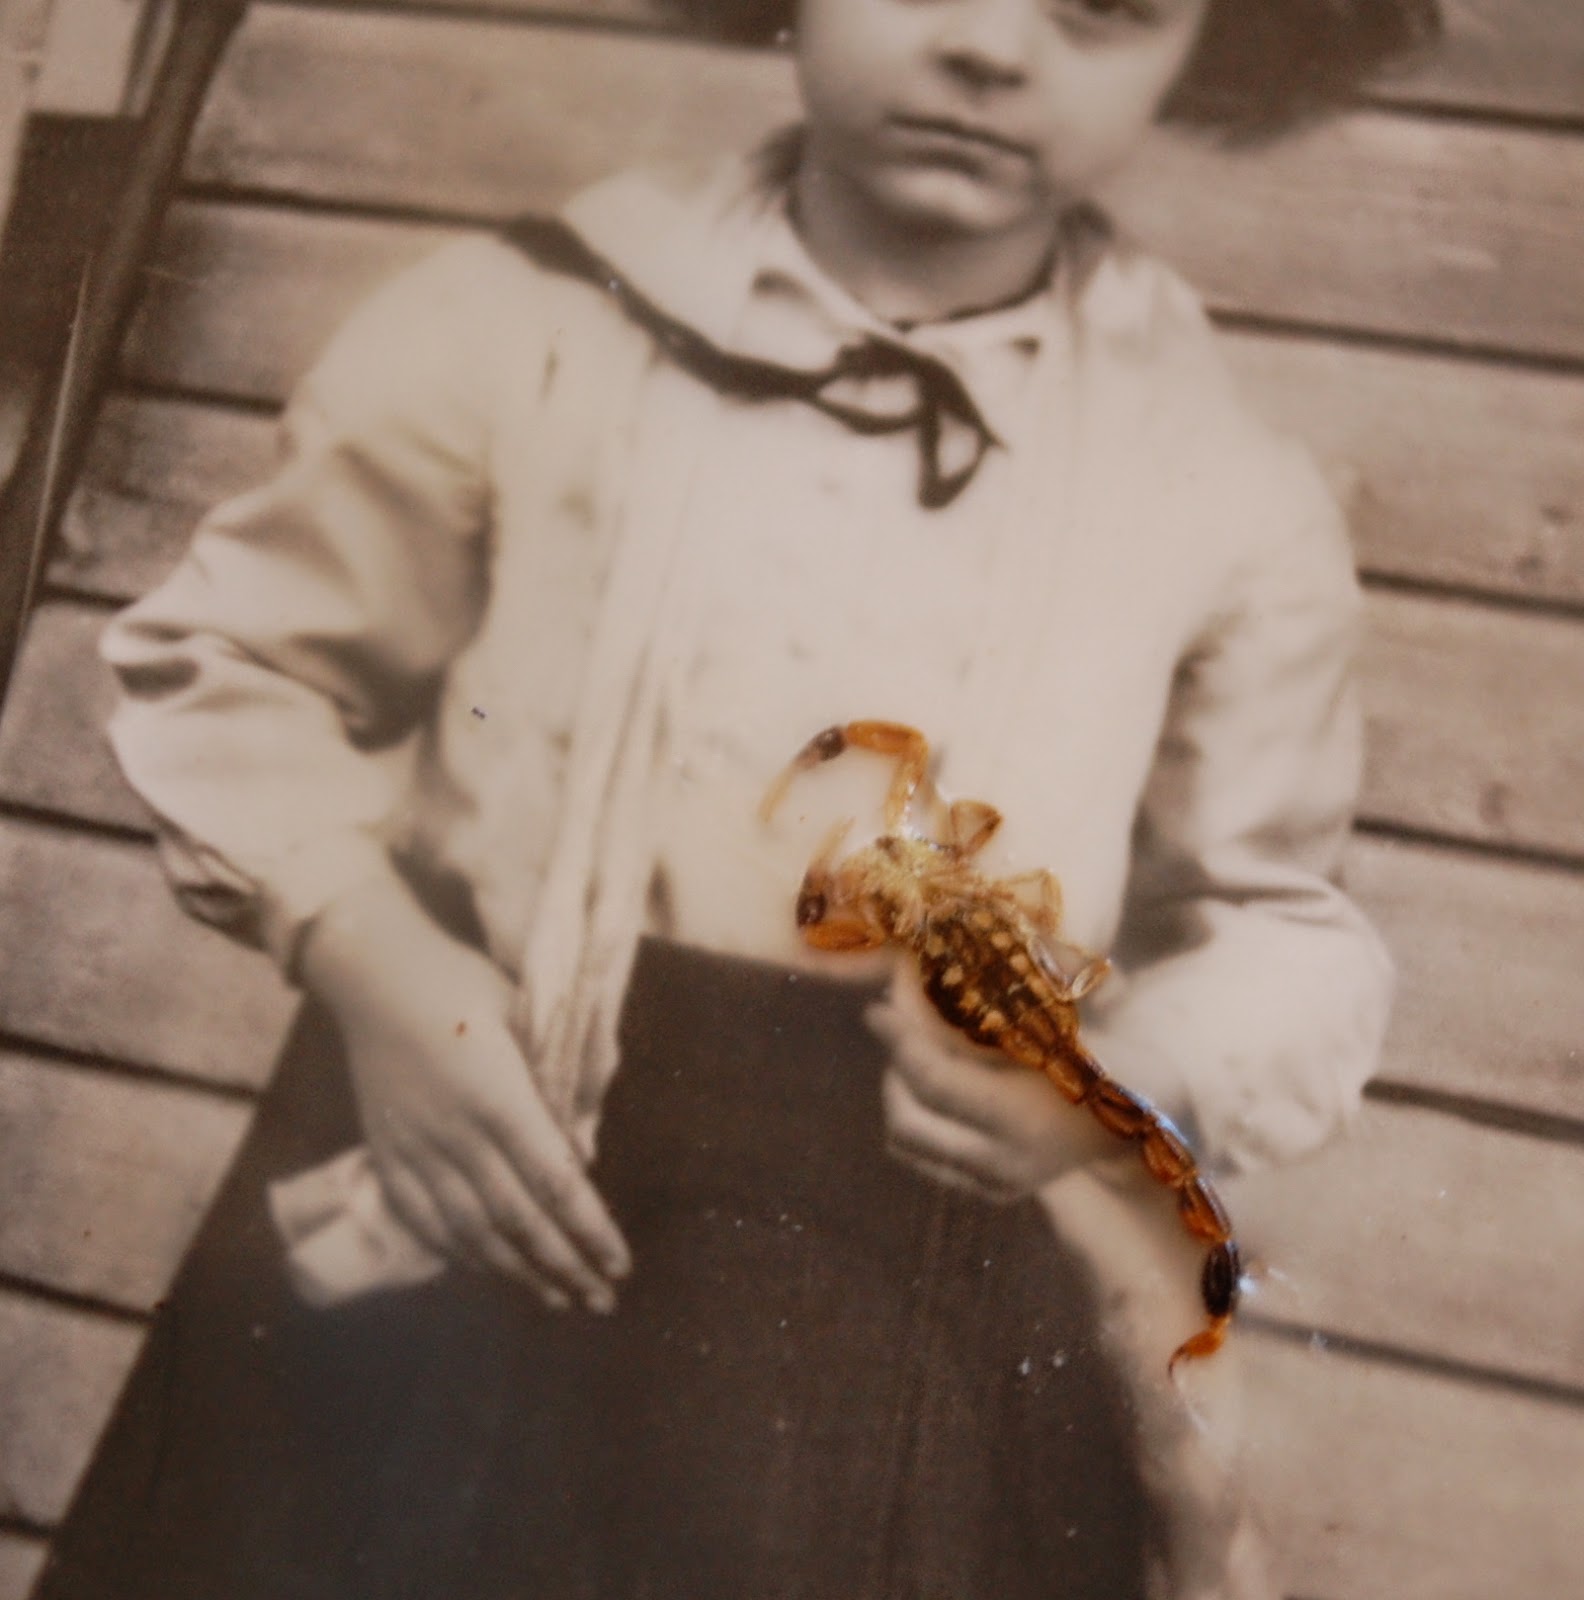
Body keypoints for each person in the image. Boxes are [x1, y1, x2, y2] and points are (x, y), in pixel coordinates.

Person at [41, 2, 1441, 1598]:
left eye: (1104, 6)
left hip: (898, 1273)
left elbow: (1279, 925)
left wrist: (1127, 1081)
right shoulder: (533, 326)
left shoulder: (1214, 484)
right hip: (475, 1144)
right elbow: (238, 662)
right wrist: (374, 960)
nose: (995, 48)